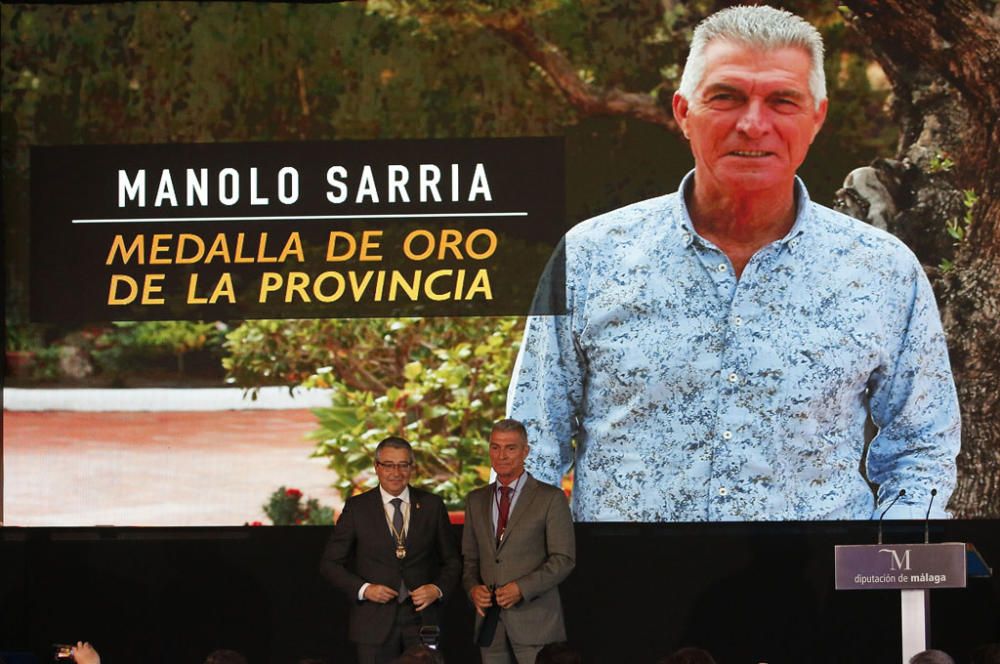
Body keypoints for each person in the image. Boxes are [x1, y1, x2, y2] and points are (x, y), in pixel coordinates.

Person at [507, 5, 960, 522]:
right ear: (683, 112)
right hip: (630, 591)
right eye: (726, 97)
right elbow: (532, 443)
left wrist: (882, 579)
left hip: (816, 595)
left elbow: (919, 451)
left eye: (782, 101)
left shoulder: (883, 271)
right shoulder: (590, 255)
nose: (752, 124)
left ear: (817, 118)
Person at [320, 436, 461, 664]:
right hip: (373, 622)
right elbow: (330, 564)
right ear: (377, 467)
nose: (396, 472)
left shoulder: (432, 505)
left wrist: (437, 588)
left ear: (411, 467)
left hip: (422, 621)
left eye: (403, 465)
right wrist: (365, 589)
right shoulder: (358, 508)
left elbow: (453, 561)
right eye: (388, 464)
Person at [462, 419, 576, 664]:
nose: (501, 455)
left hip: (536, 623)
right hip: (489, 626)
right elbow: (470, 560)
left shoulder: (551, 498)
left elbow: (564, 559)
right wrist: (473, 589)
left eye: (510, 448)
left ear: (526, 451)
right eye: (495, 447)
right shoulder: (475, 500)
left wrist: (521, 588)